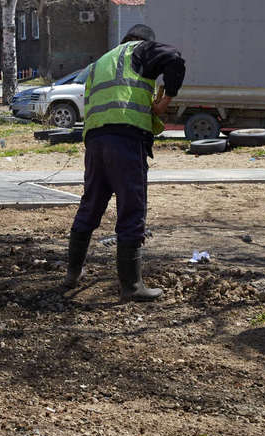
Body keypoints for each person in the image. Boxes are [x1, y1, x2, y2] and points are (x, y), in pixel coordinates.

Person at [63, 23, 185, 301]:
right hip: (126, 139)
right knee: (131, 207)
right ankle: (131, 287)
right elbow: (175, 58)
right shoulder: (141, 50)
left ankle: (72, 273)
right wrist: (167, 99)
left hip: (95, 140)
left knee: (91, 204)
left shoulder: (100, 63)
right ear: (144, 42)